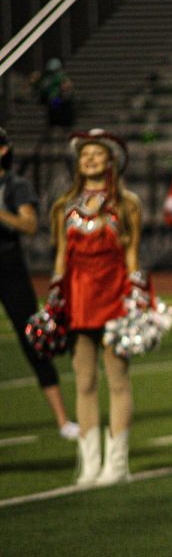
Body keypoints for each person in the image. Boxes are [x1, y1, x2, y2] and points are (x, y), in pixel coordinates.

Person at [51, 129, 142, 486]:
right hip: (78, 298)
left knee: (117, 378)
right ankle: (89, 465)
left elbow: (132, 251)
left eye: (96, 153)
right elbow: (62, 254)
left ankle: (117, 464)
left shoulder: (126, 204)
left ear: (111, 161)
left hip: (115, 294)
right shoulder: (65, 205)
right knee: (84, 380)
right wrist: (56, 294)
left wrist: (136, 291)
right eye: (84, 154)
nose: (89, 159)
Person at [0, 128, 78, 440]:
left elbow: (29, 224)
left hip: (8, 266)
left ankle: (62, 420)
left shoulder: (15, 185)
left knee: (31, 338)